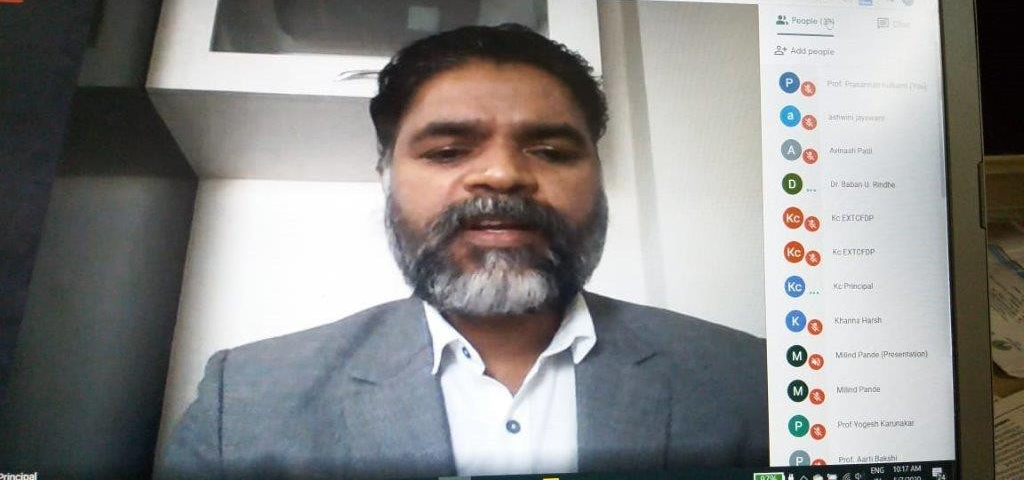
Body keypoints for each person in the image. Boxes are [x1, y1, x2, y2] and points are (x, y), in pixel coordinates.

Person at [159, 24, 767, 480]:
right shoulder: (245, 402)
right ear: (385, 176)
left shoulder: (752, 381)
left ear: (599, 177)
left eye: (551, 152)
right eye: (448, 151)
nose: (502, 175)